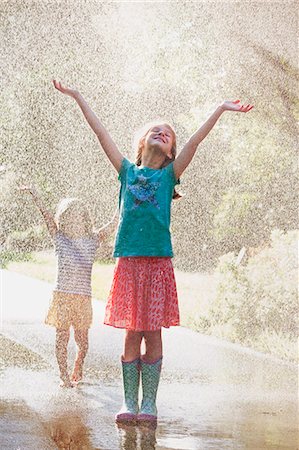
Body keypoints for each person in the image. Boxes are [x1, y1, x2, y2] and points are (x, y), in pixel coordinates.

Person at [53, 79, 253, 417]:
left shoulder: (169, 175)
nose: (163, 133)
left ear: (172, 152)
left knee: (153, 332)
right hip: (129, 264)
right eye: (155, 130)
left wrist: (219, 109)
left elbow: (196, 141)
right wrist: (78, 96)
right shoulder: (127, 172)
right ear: (142, 142)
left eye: (168, 134)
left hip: (158, 263)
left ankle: (149, 402)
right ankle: (130, 401)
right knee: (132, 331)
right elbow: (101, 133)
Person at [21, 187, 117, 387]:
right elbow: (47, 217)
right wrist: (37, 197)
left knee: (82, 341)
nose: (74, 223)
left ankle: (78, 363)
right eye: (69, 219)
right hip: (62, 297)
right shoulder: (59, 239)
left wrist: (123, 200)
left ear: (85, 221)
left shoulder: (92, 240)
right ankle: (63, 375)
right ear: (62, 221)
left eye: (78, 218)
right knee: (61, 337)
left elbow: (113, 224)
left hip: (82, 299)